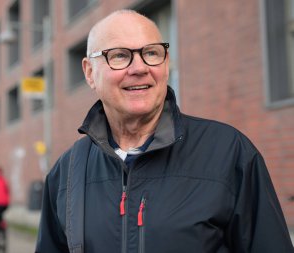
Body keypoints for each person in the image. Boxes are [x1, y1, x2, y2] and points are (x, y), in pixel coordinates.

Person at [35, 9, 293, 253]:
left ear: (166, 63)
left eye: (151, 53)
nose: (139, 68)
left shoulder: (229, 152)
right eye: (120, 56)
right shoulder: (66, 173)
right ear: (90, 72)